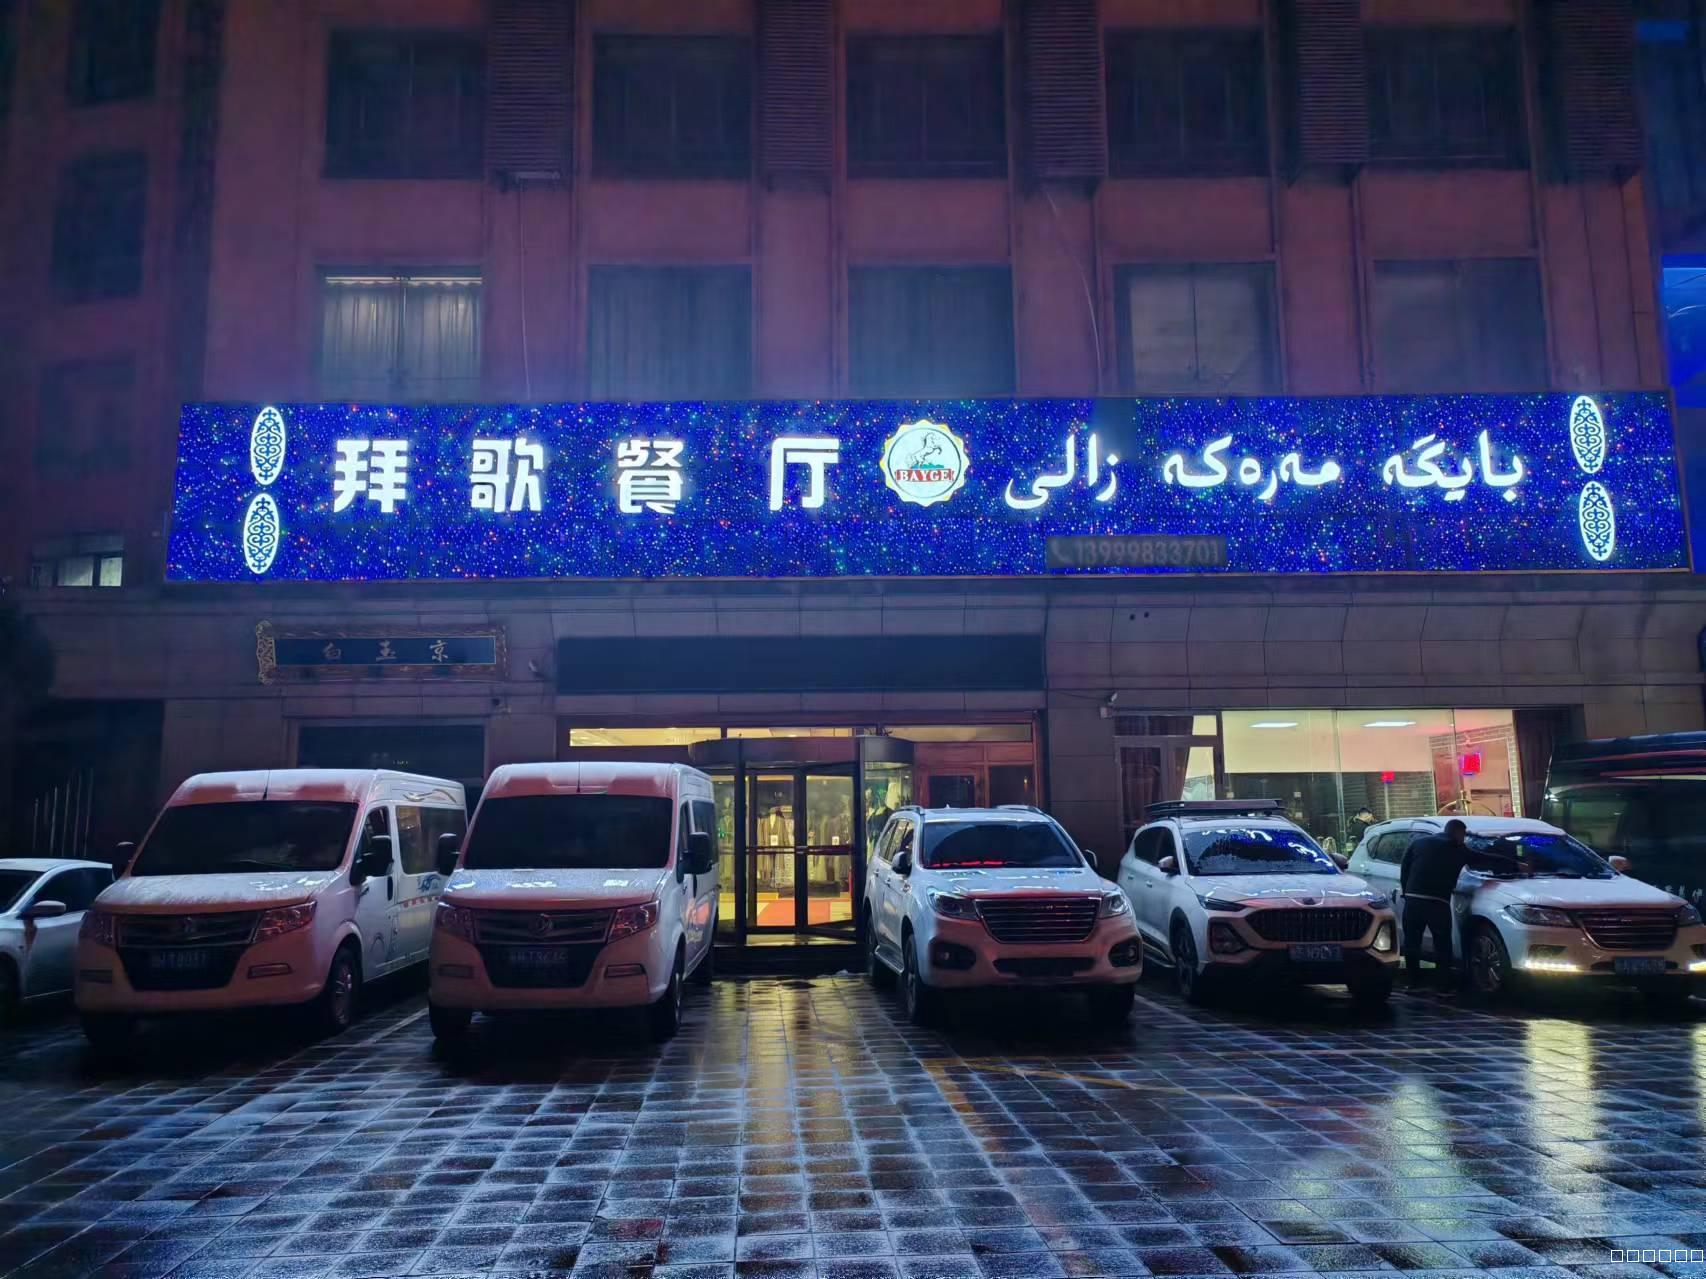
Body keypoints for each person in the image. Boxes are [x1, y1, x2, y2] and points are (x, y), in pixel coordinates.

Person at [1399, 818, 1471, 991]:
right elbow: (1484, 858)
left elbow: (1404, 867)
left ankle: (1413, 983)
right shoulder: (1459, 849)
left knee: (1412, 942)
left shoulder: (1419, 842)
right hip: (1438, 902)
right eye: (1463, 835)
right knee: (1442, 944)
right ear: (1458, 833)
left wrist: (1406, 891)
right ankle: (1443, 987)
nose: (1464, 839)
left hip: (1413, 899)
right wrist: (1515, 863)